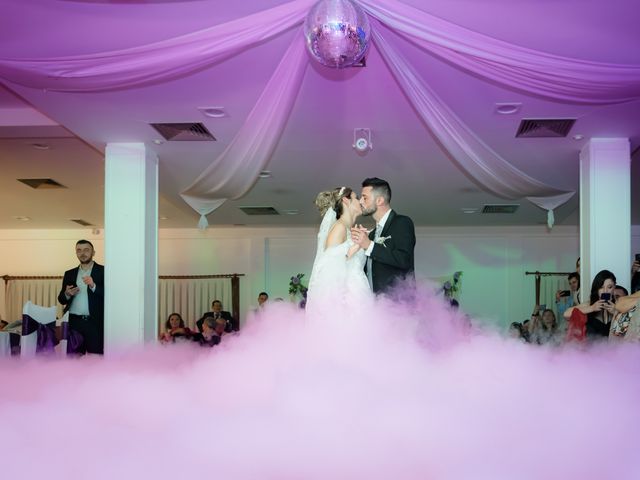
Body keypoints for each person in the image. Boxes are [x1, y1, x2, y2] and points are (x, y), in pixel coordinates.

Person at [306, 186, 372, 317]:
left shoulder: (348, 229)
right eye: (356, 197)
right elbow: (328, 272)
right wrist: (353, 250)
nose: (360, 201)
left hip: (357, 292)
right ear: (346, 201)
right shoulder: (339, 228)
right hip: (344, 300)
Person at [351, 177, 416, 294]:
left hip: (399, 304)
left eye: (364, 198)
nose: (360, 201)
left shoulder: (401, 222)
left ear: (379, 201)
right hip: (374, 304)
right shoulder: (370, 235)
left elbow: (404, 260)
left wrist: (369, 245)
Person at [58, 239, 104, 354]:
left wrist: (93, 286)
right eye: (79, 250)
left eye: (86, 250)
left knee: (96, 358)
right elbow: (61, 299)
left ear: (93, 252)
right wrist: (67, 294)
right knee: (73, 359)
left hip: (94, 323)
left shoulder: (104, 271)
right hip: (74, 323)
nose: (82, 253)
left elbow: (110, 296)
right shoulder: (69, 273)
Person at [564, 269, 616, 342]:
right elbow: (566, 314)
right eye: (601, 287)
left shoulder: (619, 305)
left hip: (615, 351)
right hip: (589, 351)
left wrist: (616, 313)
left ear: (614, 288)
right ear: (597, 289)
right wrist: (592, 308)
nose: (605, 291)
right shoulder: (589, 304)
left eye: (609, 287)